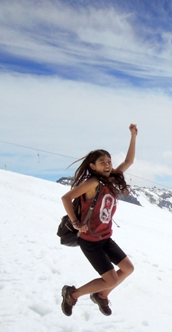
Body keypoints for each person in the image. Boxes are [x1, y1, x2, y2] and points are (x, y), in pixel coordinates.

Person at [60, 124, 138, 317]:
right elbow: (66, 198)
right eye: (102, 161)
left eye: (109, 161)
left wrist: (133, 136)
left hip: (105, 238)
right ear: (92, 166)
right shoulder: (92, 183)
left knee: (128, 269)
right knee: (111, 278)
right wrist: (76, 222)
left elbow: (129, 160)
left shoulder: (111, 180)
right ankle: (72, 294)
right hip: (90, 241)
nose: (107, 164)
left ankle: (101, 295)